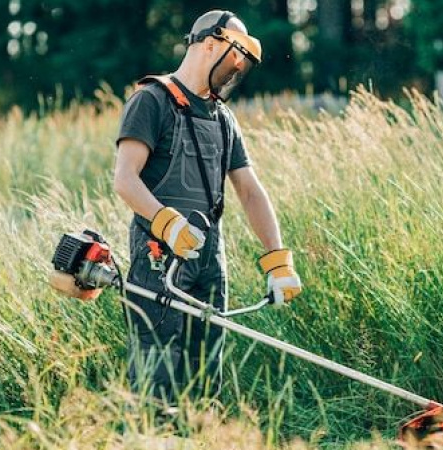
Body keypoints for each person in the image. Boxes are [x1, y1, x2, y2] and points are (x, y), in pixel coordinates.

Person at [112, 9, 302, 406]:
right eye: (235, 57)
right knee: (156, 371)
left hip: (210, 256)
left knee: (205, 375)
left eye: (243, 64)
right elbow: (125, 179)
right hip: (158, 254)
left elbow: (249, 190)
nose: (237, 69)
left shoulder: (222, 117)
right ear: (210, 44)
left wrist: (277, 260)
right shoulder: (151, 100)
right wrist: (167, 224)